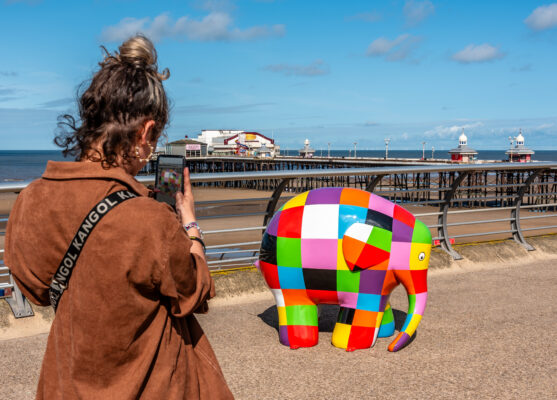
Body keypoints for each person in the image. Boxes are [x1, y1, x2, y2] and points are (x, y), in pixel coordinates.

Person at [5, 35, 234, 399]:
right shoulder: (149, 219)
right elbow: (195, 293)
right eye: (155, 138)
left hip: (64, 385)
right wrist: (190, 228)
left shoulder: (29, 201)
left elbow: (37, 292)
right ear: (144, 132)